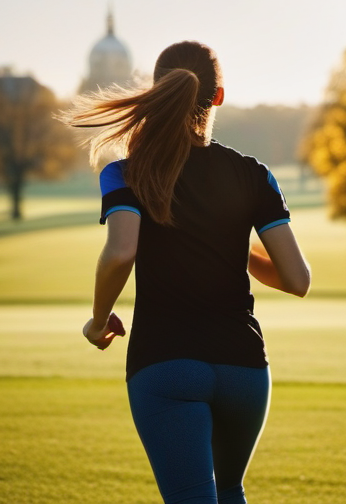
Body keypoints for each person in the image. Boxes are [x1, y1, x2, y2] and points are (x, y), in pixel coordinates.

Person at [65, 41, 310, 504]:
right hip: (244, 368)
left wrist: (98, 322)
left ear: (156, 92)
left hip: (165, 364)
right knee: (230, 492)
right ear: (218, 97)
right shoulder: (254, 174)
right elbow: (297, 280)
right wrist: (229, 248)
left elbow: (120, 253)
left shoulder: (126, 172)